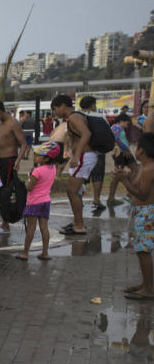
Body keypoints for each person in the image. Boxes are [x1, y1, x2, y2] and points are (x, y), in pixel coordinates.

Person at [116, 133, 154, 299]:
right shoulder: (144, 167)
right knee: (141, 251)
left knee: (143, 251)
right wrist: (125, 176)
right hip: (142, 212)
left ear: (142, 150)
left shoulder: (149, 169)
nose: (134, 150)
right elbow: (136, 184)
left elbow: (142, 194)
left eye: (136, 147)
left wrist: (123, 181)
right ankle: (146, 284)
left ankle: (149, 289)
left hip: (146, 212)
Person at [51, 94, 95, 236]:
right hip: (84, 156)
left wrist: (77, 155)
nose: (55, 112)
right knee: (73, 191)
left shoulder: (74, 117)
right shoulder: (76, 117)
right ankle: (78, 222)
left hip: (83, 156)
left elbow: (86, 134)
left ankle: (79, 225)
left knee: (72, 191)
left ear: (63, 106)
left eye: (55, 108)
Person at [0, 99, 31, 230]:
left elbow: (23, 143)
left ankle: (5, 224)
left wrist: (18, 160)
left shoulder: (12, 123)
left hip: (9, 160)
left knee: (6, 191)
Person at [17, 142, 62, 261]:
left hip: (34, 202)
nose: (34, 156)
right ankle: (45, 252)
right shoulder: (52, 169)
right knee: (44, 228)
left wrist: (28, 179)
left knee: (31, 228)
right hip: (46, 201)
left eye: (38, 155)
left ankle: (25, 253)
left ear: (46, 158)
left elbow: (29, 187)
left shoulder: (37, 171)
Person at [78, 96, 109, 212]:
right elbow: (108, 132)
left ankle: (79, 199)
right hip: (98, 151)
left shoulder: (78, 117)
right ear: (92, 105)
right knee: (98, 175)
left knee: (80, 176)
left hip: (83, 151)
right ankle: (96, 198)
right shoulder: (100, 117)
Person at [107, 112, 133, 206]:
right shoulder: (116, 127)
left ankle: (112, 198)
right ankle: (129, 195)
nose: (127, 126)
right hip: (121, 153)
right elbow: (117, 139)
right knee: (123, 173)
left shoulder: (118, 128)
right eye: (126, 124)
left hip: (121, 152)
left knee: (119, 175)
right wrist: (126, 148)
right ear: (121, 121)